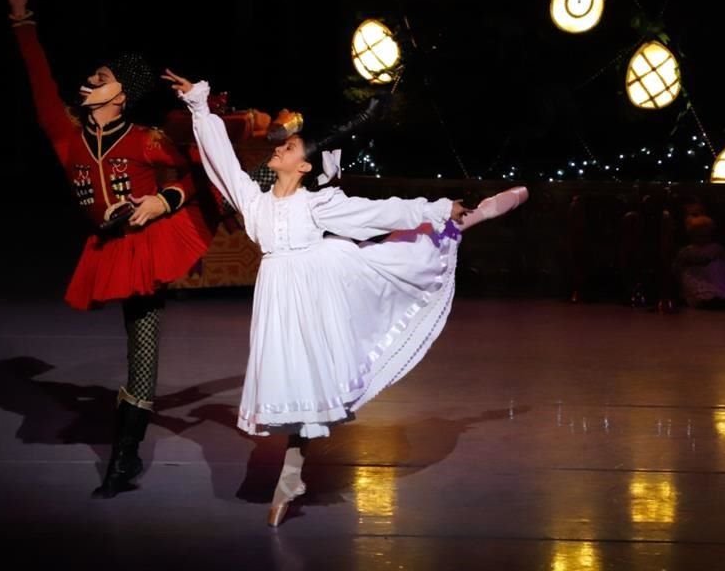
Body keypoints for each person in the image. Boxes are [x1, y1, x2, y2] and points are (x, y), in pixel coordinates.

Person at [164, 70, 528, 525]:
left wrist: (433, 208)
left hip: (325, 282)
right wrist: (199, 105)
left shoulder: (317, 204)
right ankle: (292, 475)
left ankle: (460, 222)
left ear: (303, 167)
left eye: (291, 147)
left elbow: (380, 212)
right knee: (292, 391)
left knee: (396, 255)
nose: (280, 147)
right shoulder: (254, 202)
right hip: (278, 298)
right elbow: (220, 163)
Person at [1, 0, 215, 498]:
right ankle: (125, 445)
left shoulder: (145, 141)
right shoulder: (68, 137)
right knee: (134, 344)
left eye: (100, 78)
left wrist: (162, 201)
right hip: (105, 246)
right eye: (91, 76)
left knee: (142, 346)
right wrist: (22, 18)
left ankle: (124, 458)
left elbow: (201, 170)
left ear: (123, 94)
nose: (88, 82)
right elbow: (40, 82)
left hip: (146, 246)